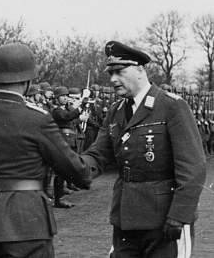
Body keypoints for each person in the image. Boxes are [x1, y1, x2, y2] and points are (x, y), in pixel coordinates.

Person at [0, 43, 92, 258]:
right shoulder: (37, 119)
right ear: (27, 80)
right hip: (27, 225)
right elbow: (78, 173)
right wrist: (96, 157)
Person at [82, 41, 206, 258]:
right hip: (126, 219)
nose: (112, 79)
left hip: (165, 220)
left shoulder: (171, 106)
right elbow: (97, 155)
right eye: (110, 73)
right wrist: (68, 163)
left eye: (119, 72)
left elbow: (193, 168)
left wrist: (179, 215)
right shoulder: (116, 111)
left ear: (140, 70)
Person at [51, 86, 88, 208]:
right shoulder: (56, 110)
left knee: (64, 170)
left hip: (69, 139)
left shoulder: (65, 108)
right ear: (56, 98)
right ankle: (58, 199)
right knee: (60, 171)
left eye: (66, 96)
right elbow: (68, 117)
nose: (65, 98)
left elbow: (72, 117)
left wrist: (82, 102)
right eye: (62, 96)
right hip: (62, 140)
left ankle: (60, 197)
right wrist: (81, 105)